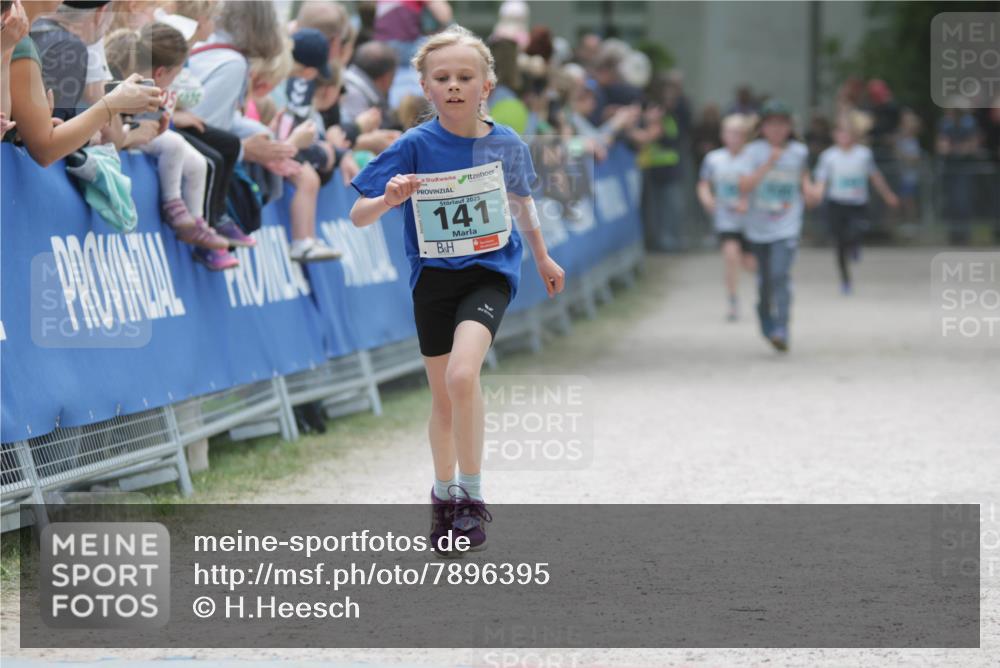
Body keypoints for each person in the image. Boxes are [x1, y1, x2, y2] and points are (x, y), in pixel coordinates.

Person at [349, 25, 565, 556]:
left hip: (490, 271)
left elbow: (521, 201)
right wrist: (389, 199)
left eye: (464, 77)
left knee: (463, 374)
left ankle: (471, 494)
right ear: (425, 88)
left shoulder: (505, 143)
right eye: (441, 78)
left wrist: (540, 255)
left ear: (486, 85)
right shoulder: (415, 145)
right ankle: (443, 495)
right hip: (433, 279)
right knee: (444, 399)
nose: (453, 86)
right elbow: (358, 214)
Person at [104, 22, 231, 253]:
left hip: (128, 133)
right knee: (174, 143)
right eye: (176, 74)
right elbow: (107, 132)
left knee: (198, 161)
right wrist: (133, 133)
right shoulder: (116, 80)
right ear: (160, 72)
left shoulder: (146, 81)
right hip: (120, 138)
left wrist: (155, 120)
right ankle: (173, 205)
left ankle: (198, 220)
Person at [7, 0, 161, 168]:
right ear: (101, 13)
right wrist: (113, 104)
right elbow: (45, 149)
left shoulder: (21, 35)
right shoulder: (23, 43)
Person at [739, 100, 817, 352]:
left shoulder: (799, 152)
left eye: (782, 124)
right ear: (762, 127)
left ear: (789, 127)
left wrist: (811, 193)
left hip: (787, 226)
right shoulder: (752, 152)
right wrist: (769, 164)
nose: (777, 129)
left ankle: (782, 328)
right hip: (758, 228)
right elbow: (744, 186)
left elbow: (805, 183)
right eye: (771, 124)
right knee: (765, 283)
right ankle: (765, 315)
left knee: (779, 275)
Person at [814, 115, 899, 295]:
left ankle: (855, 245)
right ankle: (845, 280)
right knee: (839, 243)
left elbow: (875, 176)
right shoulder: (828, 157)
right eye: (840, 132)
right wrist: (817, 195)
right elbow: (821, 181)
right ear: (835, 135)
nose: (844, 137)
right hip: (836, 203)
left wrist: (887, 194)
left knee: (855, 230)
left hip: (857, 203)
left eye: (847, 133)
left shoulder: (863, 154)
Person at [697, 113, 756, 321]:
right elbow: (704, 183)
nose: (734, 138)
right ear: (723, 135)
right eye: (730, 133)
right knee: (730, 257)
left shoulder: (753, 158)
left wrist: (747, 201)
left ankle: (766, 290)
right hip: (726, 219)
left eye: (738, 133)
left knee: (750, 264)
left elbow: (760, 185)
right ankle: (732, 301)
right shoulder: (714, 159)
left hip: (750, 221)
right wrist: (707, 199)